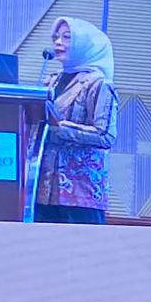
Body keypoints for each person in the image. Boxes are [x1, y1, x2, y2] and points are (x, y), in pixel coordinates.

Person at [36, 17, 119, 224]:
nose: (58, 42)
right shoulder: (52, 81)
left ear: (85, 44)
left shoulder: (99, 84)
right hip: (45, 187)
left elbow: (106, 135)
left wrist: (60, 127)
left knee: (81, 244)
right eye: (56, 37)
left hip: (81, 191)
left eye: (67, 37)